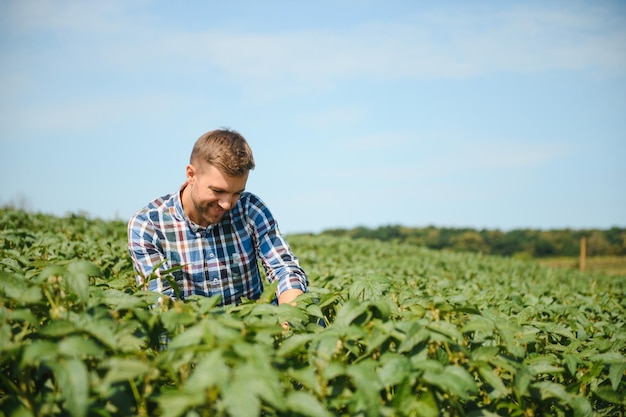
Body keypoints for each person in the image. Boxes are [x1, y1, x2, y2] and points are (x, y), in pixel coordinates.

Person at [127, 128, 308, 307]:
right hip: (191, 331)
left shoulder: (249, 209)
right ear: (191, 175)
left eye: (237, 193)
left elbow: (285, 270)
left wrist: (288, 322)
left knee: (304, 306)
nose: (227, 204)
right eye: (218, 191)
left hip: (253, 328)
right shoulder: (149, 226)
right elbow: (162, 303)